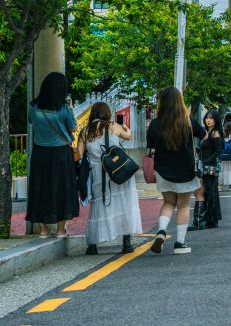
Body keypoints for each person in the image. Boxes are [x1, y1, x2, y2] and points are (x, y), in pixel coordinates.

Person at [77, 102, 141, 255]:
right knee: (124, 205)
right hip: (119, 172)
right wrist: (125, 127)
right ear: (107, 113)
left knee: (99, 207)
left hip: (99, 175)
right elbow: (128, 135)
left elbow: (78, 155)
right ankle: (126, 243)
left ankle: (93, 245)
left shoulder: (85, 132)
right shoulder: (113, 126)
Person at [147, 87, 201, 255]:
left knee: (168, 203)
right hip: (186, 170)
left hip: (163, 170)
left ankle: (162, 231)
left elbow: (150, 143)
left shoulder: (156, 123)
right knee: (184, 205)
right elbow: (204, 134)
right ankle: (179, 243)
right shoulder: (188, 121)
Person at [26, 72, 79, 238]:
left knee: (40, 188)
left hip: (40, 152)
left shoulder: (33, 106)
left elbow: (30, 121)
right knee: (62, 188)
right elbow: (73, 127)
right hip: (61, 153)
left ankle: (43, 229)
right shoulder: (63, 109)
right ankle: (61, 230)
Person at [199, 110, 224, 228]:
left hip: (211, 167)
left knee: (211, 192)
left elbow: (218, 151)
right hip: (205, 166)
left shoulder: (215, 133)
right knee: (207, 192)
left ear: (216, 120)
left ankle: (213, 220)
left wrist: (206, 161)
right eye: (207, 118)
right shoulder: (207, 132)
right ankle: (208, 219)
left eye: (211, 118)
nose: (208, 120)